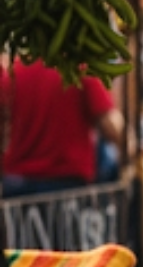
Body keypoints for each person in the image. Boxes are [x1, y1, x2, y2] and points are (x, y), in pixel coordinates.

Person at [0, 57, 124, 197]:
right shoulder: (81, 66)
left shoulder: (12, 70)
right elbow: (110, 125)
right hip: (66, 186)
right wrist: (133, 149)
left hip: (16, 187)